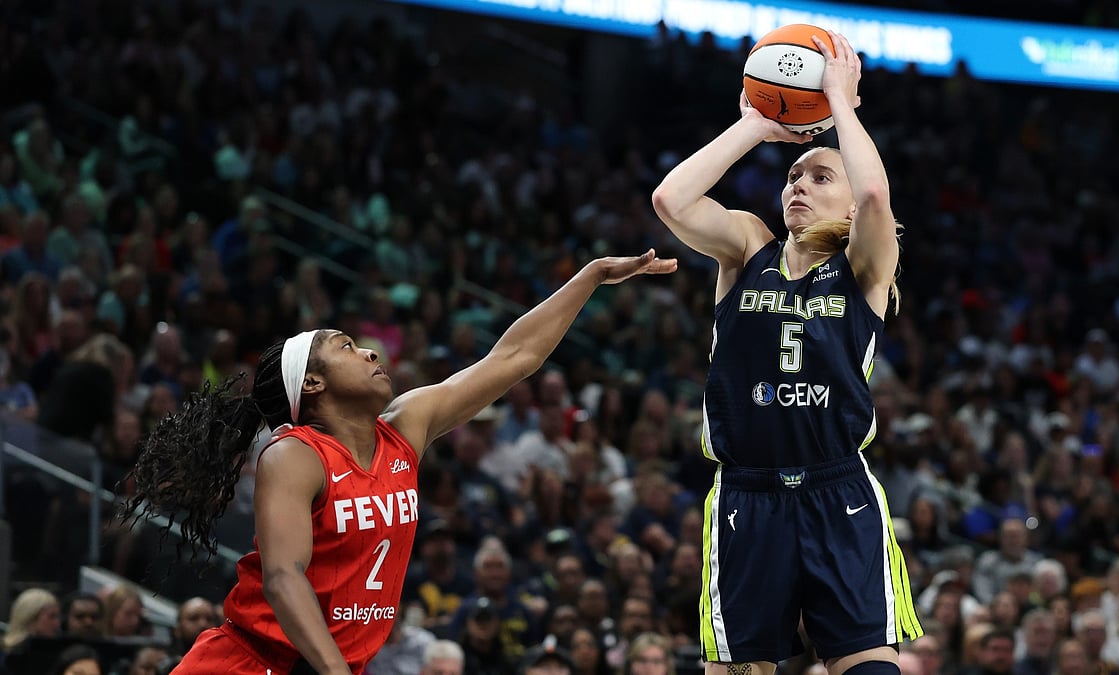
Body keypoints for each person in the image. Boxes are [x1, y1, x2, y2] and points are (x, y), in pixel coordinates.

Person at [124, 251, 676, 674]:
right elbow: (282, 577)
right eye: (345, 347)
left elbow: (513, 358)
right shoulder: (294, 454)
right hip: (252, 661)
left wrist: (591, 277)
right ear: (311, 383)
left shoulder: (406, 427)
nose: (368, 351)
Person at [651, 31, 920, 675]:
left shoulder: (863, 265)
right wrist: (753, 126)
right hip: (748, 492)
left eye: (820, 176)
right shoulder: (749, 248)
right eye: (794, 175)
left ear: (849, 202)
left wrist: (840, 103)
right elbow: (670, 200)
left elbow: (877, 197)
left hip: (839, 488)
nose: (797, 184)